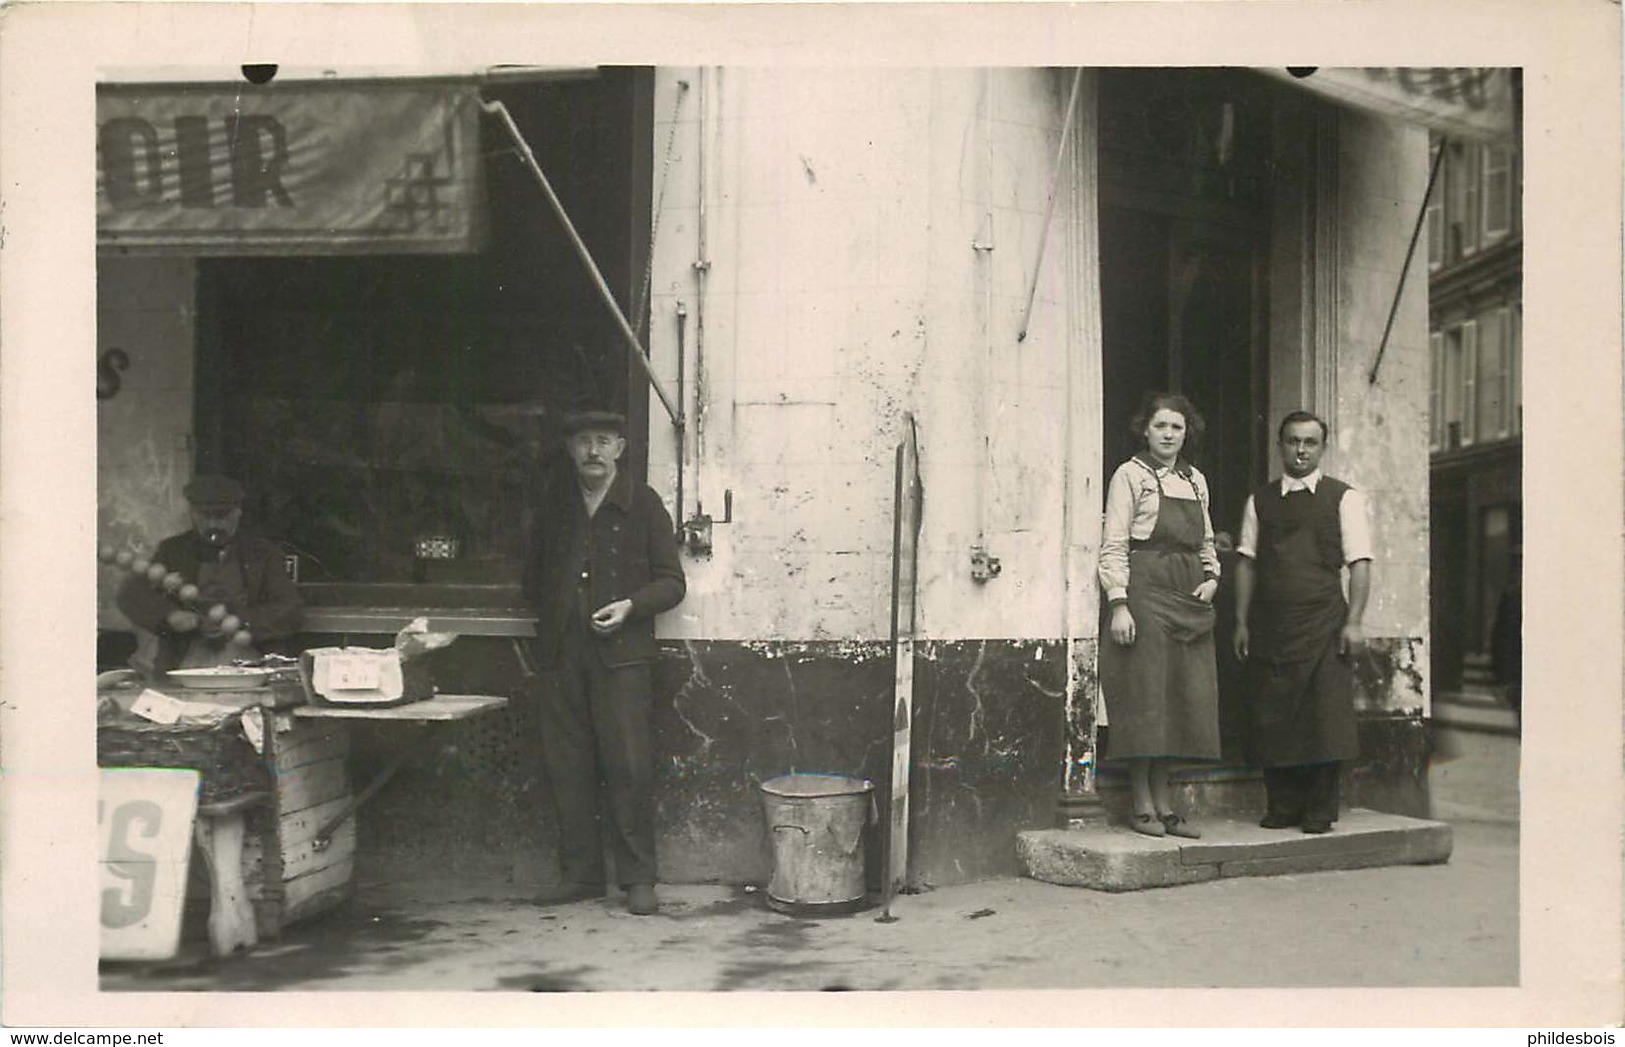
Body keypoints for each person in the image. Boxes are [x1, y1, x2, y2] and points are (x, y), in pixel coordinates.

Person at [521, 410, 686, 915]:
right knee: (566, 765)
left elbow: (672, 582)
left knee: (628, 765)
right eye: (582, 442)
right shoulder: (556, 506)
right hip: (561, 655)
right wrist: (554, 616)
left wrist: (630, 606)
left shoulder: (643, 504)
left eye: (603, 441)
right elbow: (533, 577)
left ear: (620, 448)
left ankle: (638, 878)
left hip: (623, 658)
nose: (592, 451)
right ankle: (581, 877)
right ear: (570, 450)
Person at [1232, 410, 1372, 834]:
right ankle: (1283, 806)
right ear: (1280, 446)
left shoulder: (1343, 498)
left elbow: (1360, 563)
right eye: (1293, 441)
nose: (1300, 450)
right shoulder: (1259, 500)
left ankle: (1318, 811)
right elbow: (1246, 562)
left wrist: (1356, 621)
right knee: (1274, 714)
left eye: (1310, 442)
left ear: (1322, 448)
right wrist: (1241, 620)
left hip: (1326, 622)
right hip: (1273, 625)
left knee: (1323, 717)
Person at [1099, 392, 1222, 839]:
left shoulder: (1196, 481)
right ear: (1145, 430)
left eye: (1177, 427)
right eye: (1161, 426)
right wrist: (1118, 602)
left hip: (1188, 592)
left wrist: (1212, 578)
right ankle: (1141, 802)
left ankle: (1166, 802)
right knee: (1146, 697)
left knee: (1181, 697)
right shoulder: (1130, 475)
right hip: (1145, 589)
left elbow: (1206, 539)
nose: (1169, 435)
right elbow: (1114, 542)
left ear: (1186, 433)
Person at [116, 474, 302, 674]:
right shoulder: (172, 551)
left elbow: (289, 607)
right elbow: (131, 593)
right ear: (192, 514)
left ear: (238, 512)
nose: (213, 524)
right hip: (183, 662)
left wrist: (240, 621)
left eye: (222, 516)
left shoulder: (264, 554)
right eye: (205, 516)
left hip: (250, 663)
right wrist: (169, 616)